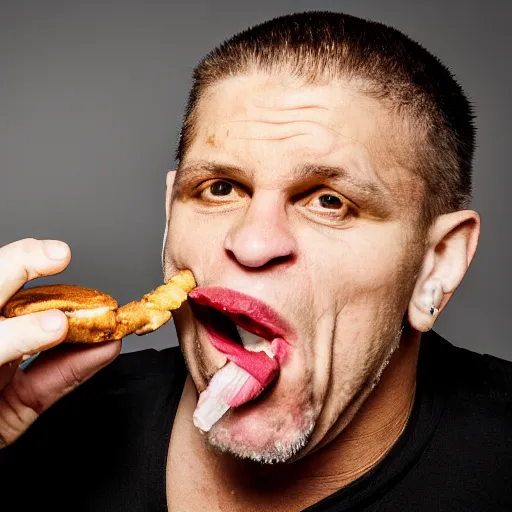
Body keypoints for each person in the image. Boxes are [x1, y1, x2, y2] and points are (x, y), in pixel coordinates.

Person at [0, 10, 511, 512]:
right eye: (219, 188)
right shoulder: (45, 423)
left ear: (437, 264)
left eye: (329, 201)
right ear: (168, 221)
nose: (251, 243)